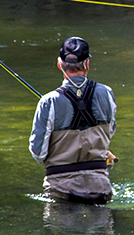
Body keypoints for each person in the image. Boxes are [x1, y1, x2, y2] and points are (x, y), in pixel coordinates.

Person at [28, 36, 117, 204]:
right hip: (101, 188)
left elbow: (38, 153)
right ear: (87, 65)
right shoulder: (107, 93)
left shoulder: (49, 101)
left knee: (59, 230)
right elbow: (110, 131)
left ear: (59, 64)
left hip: (61, 190)